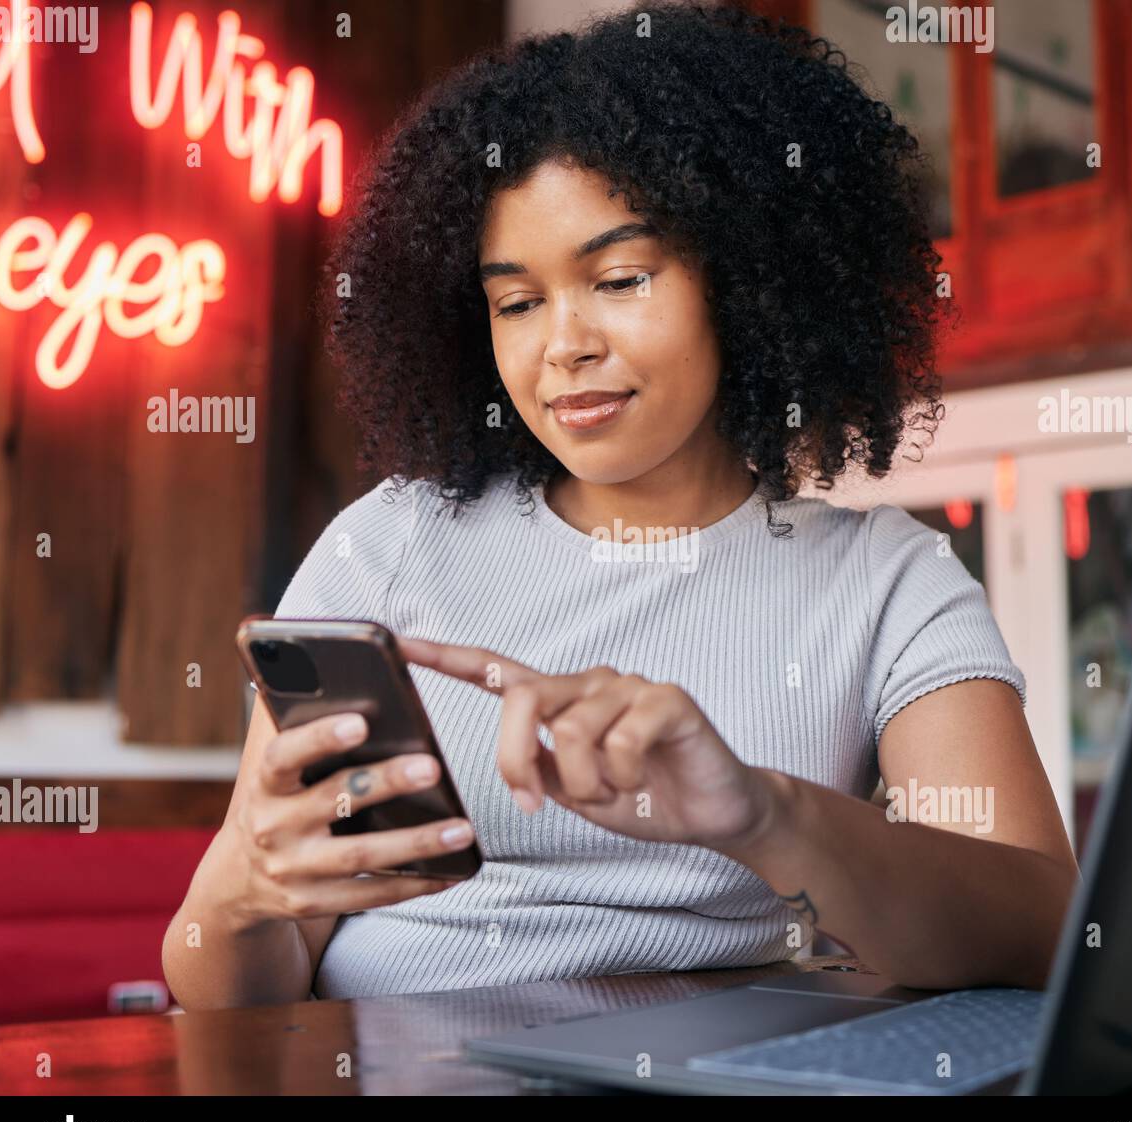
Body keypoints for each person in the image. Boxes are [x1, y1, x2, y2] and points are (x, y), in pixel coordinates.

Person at [164, 2, 1078, 1010]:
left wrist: (762, 814)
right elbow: (225, 993)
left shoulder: (883, 580)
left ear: (745, 282)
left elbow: (1039, 927)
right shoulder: (388, 546)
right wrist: (246, 894)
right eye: (516, 302)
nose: (563, 344)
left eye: (620, 278)